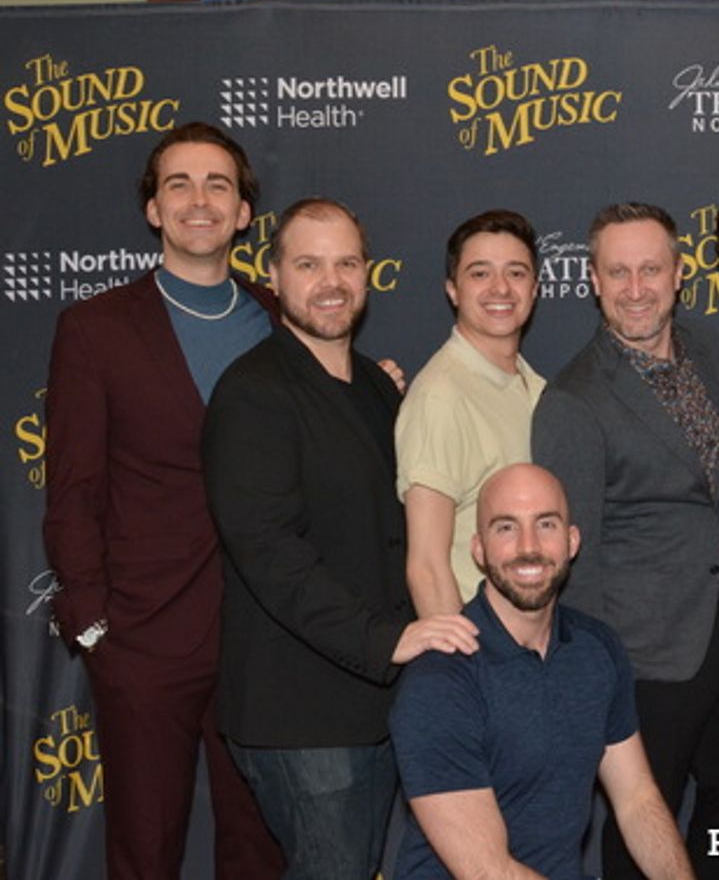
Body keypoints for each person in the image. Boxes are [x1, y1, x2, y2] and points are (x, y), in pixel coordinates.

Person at [201, 198, 477, 879]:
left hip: (373, 706)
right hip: (302, 716)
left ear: (368, 273)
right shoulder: (252, 393)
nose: (331, 282)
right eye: (309, 264)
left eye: (347, 263)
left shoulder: (378, 389)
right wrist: (385, 640)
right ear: (273, 275)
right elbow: (270, 552)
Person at [42, 121, 283, 879]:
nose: (198, 200)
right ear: (153, 209)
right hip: (142, 637)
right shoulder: (95, 329)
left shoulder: (284, 321)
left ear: (244, 212)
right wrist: (93, 625)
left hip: (263, 636)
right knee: (145, 852)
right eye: (179, 184)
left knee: (261, 849)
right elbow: (72, 489)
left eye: (218, 185)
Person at [532, 202, 719, 879]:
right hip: (643, 658)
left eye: (650, 269)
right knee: (642, 825)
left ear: (678, 274)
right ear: (593, 280)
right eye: (618, 272)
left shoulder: (707, 347)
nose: (635, 288)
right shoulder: (573, 399)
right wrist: (596, 676)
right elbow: (572, 557)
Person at [391, 463, 696, 880]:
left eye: (546, 524)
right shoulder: (441, 680)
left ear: (572, 541)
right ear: (479, 550)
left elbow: (637, 800)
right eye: (506, 528)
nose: (528, 546)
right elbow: (487, 871)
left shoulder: (596, 649)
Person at [396, 209, 546, 616]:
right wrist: (462, 654)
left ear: (534, 288)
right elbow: (427, 566)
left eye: (516, 273)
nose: (501, 288)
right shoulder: (441, 397)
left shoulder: (532, 385)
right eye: (480, 273)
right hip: (479, 640)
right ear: (453, 290)